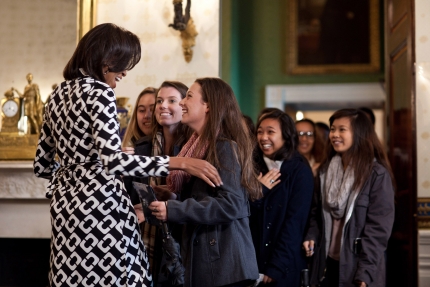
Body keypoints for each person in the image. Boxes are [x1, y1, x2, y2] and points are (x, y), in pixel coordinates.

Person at [33, 23, 221, 287]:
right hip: (102, 207)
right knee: (125, 278)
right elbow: (113, 162)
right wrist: (180, 163)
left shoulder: (55, 95)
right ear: (106, 61)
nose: (124, 72)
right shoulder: (100, 93)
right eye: (123, 64)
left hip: (65, 208)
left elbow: (42, 164)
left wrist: (72, 180)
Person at [146, 77, 261, 287]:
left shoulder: (223, 146)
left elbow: (231, 204)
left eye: (189, 96)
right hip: (209, 264)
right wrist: (172, 197)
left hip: (225, 268)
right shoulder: (195, 145)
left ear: (208, 106)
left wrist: (174, 209)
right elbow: (205, 197)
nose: (182, 103)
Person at [303, 109, 395, 287]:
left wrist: (365, 273)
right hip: (326, 263)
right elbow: (315, 214)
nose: (335, 135)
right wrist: (311, 235)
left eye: (342, 129)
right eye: (332, 129)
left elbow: (378, 231)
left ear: (359, 133)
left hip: (356, 267)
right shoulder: (324, 171)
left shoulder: (376, 175)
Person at [124, 80, 191, 286]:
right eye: (160, 101)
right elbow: (128, 194)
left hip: (183, 237)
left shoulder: (193, 146)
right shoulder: (141, 147)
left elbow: (199, 198)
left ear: (184, 106)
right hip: (145, 238)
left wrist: (170, 201)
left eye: (171, 100)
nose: (163, 106)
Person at [249, 108, 314, 286]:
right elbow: (243, 213)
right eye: (260, 132)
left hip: (284, 265)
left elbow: (295, 224)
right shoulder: (252, 166)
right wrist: (259, 191)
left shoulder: (299, 170)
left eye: (271, 132)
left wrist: (276, 266)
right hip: (252, 262)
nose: (263, 137)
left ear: (286, 136)